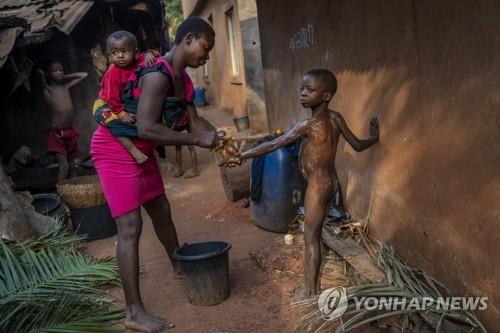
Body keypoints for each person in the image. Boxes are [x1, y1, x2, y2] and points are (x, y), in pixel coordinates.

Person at [91, 17, 218, 332]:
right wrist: (193, 140)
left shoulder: (183, 80)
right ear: (188, 39)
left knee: (161, 210)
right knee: (130, 227)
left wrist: (219, 142)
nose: (207, 55)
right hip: (114, 148)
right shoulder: (157, 75)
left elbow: (194, 121)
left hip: (142, 150)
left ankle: (180, 265)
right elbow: (148, 127)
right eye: (206, 46)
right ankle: (134, 312)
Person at [236, 69, 380, 297]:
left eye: (309, 90)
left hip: (318, 183)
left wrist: (242, 156)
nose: (302, 93)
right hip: (331, 180)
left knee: (310, 237)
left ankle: (309, 290)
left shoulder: (308, 125)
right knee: (315, 231)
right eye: (301, 89)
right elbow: (359, 145)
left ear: (325, 96)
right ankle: (310, 285)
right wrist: (373, 137)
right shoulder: (336, 118)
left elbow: (274, 144)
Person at [93, 31, 158, 164]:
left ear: (136, 52)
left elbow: (153, 55)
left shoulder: (138, 60)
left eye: (125, 51)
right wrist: (121, 113)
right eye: (114, 53)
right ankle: (134, 152)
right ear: (109, 55)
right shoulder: (113, 72)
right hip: (104, 104)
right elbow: (112, 98)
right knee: (114, 122)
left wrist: (151, 55)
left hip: (119, 100)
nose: (120, 56)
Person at [38, 61, 88, 182]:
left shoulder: (65, 87)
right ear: (48, 75)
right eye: (55, 71)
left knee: (72, 166)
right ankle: (62, 196)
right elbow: (39, 74)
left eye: (61, 70)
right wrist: (46, 75)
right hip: (57, 134)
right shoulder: (47, 89)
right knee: (64, 167)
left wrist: (64, 76)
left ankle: (75, 194)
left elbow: (84, 75)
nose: (59, 72)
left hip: (70, 131)